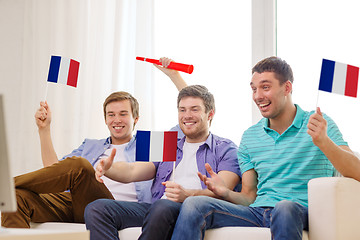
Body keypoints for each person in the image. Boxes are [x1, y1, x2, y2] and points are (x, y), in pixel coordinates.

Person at [170, 56, 360, 240]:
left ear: (287, 87)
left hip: (299, 211)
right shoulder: (250, 136)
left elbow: (357, 172)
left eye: (265, 87)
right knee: (194, 204)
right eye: (254, 89)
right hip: (258, 212)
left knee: (284, 207)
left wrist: (324, 142)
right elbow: (249, 197)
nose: (258, 96)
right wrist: (225, 192)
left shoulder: (319, 124)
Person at [1, 58, 186, 228]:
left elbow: (189, 120)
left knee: (80, 166)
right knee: (16, 199)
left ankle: (5, 186)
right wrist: (44, 129)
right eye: (111, 115)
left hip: (116, 209)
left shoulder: (149, 144)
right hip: (76, 203)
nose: (117, 120)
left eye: (123, 114)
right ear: (105, 119)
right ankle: (8, 191)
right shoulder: (92, 146)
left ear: (135, 118)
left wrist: (175, 76)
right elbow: (52, 171)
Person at [84, 82, 242, 240]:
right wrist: (108, 169)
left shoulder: (226, 148)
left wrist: (188, 195)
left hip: (191, 211)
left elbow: (224, 191)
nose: (187, 115)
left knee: (162, 206)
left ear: (210, 114)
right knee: (96, 208)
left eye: (195, 109)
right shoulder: (169, 141)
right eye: (182, 110)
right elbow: (132, 171)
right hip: (157, 208)